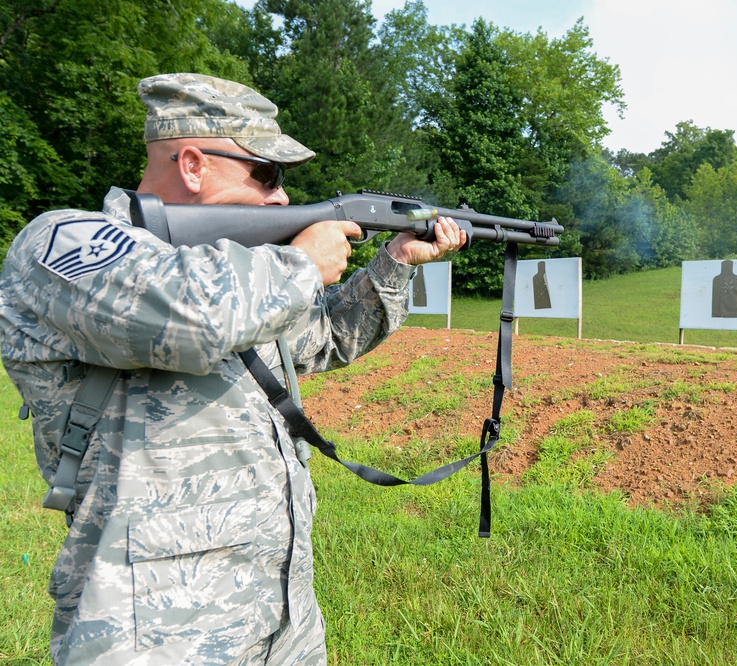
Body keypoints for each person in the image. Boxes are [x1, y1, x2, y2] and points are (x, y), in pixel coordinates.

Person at [0, 72, 466, 665]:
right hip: (156, 630)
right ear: (192, 164)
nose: (281, 198)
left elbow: (324, 339)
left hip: (279, 615)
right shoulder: (63, 243)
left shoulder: (242, 276)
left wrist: (397, 261)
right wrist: (300, 264)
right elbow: (189, 318)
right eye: (265, 174)